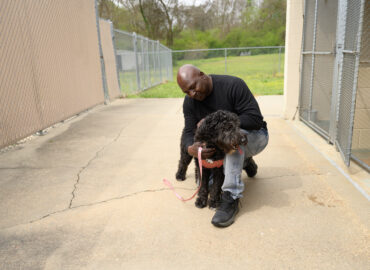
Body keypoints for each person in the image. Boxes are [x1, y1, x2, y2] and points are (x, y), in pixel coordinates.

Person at [177, 64, 269, 228]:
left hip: (256, 136)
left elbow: (255, 119)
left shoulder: (233, 85)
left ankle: (231, 197)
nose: (192, 93)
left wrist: (217, 123)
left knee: (229, 137)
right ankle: (245, 162)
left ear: (202, 75)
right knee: (210, 185)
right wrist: (190, 148)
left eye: (193, 87)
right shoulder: (190, 102)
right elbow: (188, 130)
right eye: (187, 92)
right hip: (226, 144)